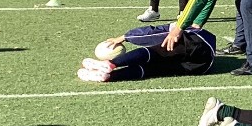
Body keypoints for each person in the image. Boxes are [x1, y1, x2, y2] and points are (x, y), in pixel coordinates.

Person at [76, 25, 217, 82]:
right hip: (203, 67)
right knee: (153, 68)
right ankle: (108, 76)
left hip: (198, 43)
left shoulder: (183, 25)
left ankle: (110, 64)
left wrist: (125, 37)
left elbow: (153, 32)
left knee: (154, 52)